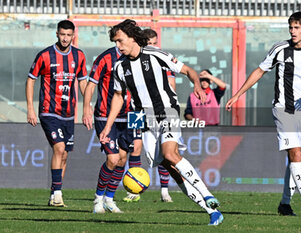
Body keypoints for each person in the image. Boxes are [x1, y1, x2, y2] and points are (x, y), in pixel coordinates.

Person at [100, 19, 223, 226]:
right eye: (115, 42)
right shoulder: (120, 67)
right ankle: (211, 211)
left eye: (120, 41)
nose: (117, 46)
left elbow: (188, 70)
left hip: (167, 111)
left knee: (170, 154)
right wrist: (108, 126)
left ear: (131, 37)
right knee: (170, 168)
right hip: (142, 118)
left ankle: (207, 194)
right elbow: (119, 97)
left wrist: (196, 86)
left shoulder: (155, 54)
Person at [225, 11, 301, 217]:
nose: (293, 32)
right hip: (283, 108)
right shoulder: (280, 49)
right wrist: (238, 94)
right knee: (296, 154)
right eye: (291, 27)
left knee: (296, 158)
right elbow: (259, 71)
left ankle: (285, 204)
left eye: (297, 28)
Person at [26, 20, 88, 207]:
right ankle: (58, 193)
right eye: (62, 34)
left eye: (69, 35)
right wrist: (30, 108)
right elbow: (31, 80)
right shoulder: (45, 55)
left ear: (73, 36)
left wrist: (88, 106)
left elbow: (83, 81)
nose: (65, 38)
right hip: (48, 111)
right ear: (57, 34)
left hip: (69, 113)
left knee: (65, 155)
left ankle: (54, 194)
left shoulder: (79, 56)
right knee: (59, 148)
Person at [123, 28, 175, 203]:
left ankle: (165, 190)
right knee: (135, 148)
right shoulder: (132, 61)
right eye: (150, 44)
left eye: (155, 43)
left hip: (160, 110)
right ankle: (133, 190)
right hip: (136, 110)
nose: (153, 46)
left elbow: (171, 83)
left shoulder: (162, 58)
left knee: (163, 148)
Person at [82, 46, 135, 213]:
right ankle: (98, 199)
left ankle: (109, 199)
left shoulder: (139, 58)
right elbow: (91, 85)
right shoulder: (106, 58)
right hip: (105, 115)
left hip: (131, 115)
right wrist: (86, 108)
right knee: (112, 158)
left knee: (123, 159)